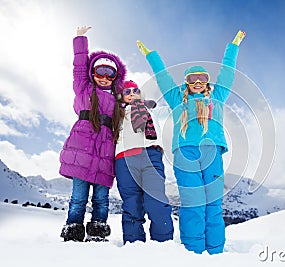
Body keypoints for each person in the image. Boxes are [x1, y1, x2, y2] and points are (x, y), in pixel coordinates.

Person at [136, 30, 246, 254]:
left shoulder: (217, 97)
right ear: (186, 82)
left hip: (212, 153)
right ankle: (193, 252)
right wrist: (151, 55)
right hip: (185, 154)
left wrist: (233, 46)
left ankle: (215, 251)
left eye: (202, 78)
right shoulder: (177, 99)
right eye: (192, 79)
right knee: (193, 203)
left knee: (213, 205)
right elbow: (163, 77)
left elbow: (227, 74)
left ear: (207, 83)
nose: (197, 82)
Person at [59, 26, 126, 242]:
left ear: (115, 77)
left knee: (101, 198)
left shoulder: (118, 100)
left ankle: (97, 231)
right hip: (82, 152)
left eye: (110, 73)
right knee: (78, 197)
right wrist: (80, 39)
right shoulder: (84, 89)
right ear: (93, 73)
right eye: (100, 72)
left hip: (105, 155)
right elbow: (79, 65)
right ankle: (73, 229)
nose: (105, 77)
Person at [115, 80, 174, 244]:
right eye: (127, 92)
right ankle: (134, 246)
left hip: (150, 155)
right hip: (124, 159)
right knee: (131, 204)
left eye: (136, 90)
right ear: (121, 96)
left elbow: (174, 108)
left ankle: (163, 245)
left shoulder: (151, 109)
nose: (132, 93)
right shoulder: (116, 113)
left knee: (156, 202)